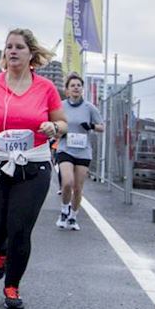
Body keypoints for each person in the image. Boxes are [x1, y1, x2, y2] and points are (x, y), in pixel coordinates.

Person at [0, 29, 67, 309]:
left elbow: (62, 123)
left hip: (33, 164)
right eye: (9, 46)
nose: (12, 51)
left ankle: (12, 286)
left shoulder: (45, 88)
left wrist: (52, 127)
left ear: (31, 53)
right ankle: (0, 251)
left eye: (19, 47)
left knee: (20, 229)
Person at [56, 74, 103, 229]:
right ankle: (64, 210)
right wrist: (59, 131)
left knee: (78, 188)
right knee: (67, 182)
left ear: (82, 89)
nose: (76, 88)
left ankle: (73, 216)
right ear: (67, 90)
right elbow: (54, 124)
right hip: (65, 148)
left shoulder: (89, 108)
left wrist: (91, 126)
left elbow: (102, 127)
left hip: (83, 151)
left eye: (79, 85)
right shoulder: (61, 106)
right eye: (73, 86)